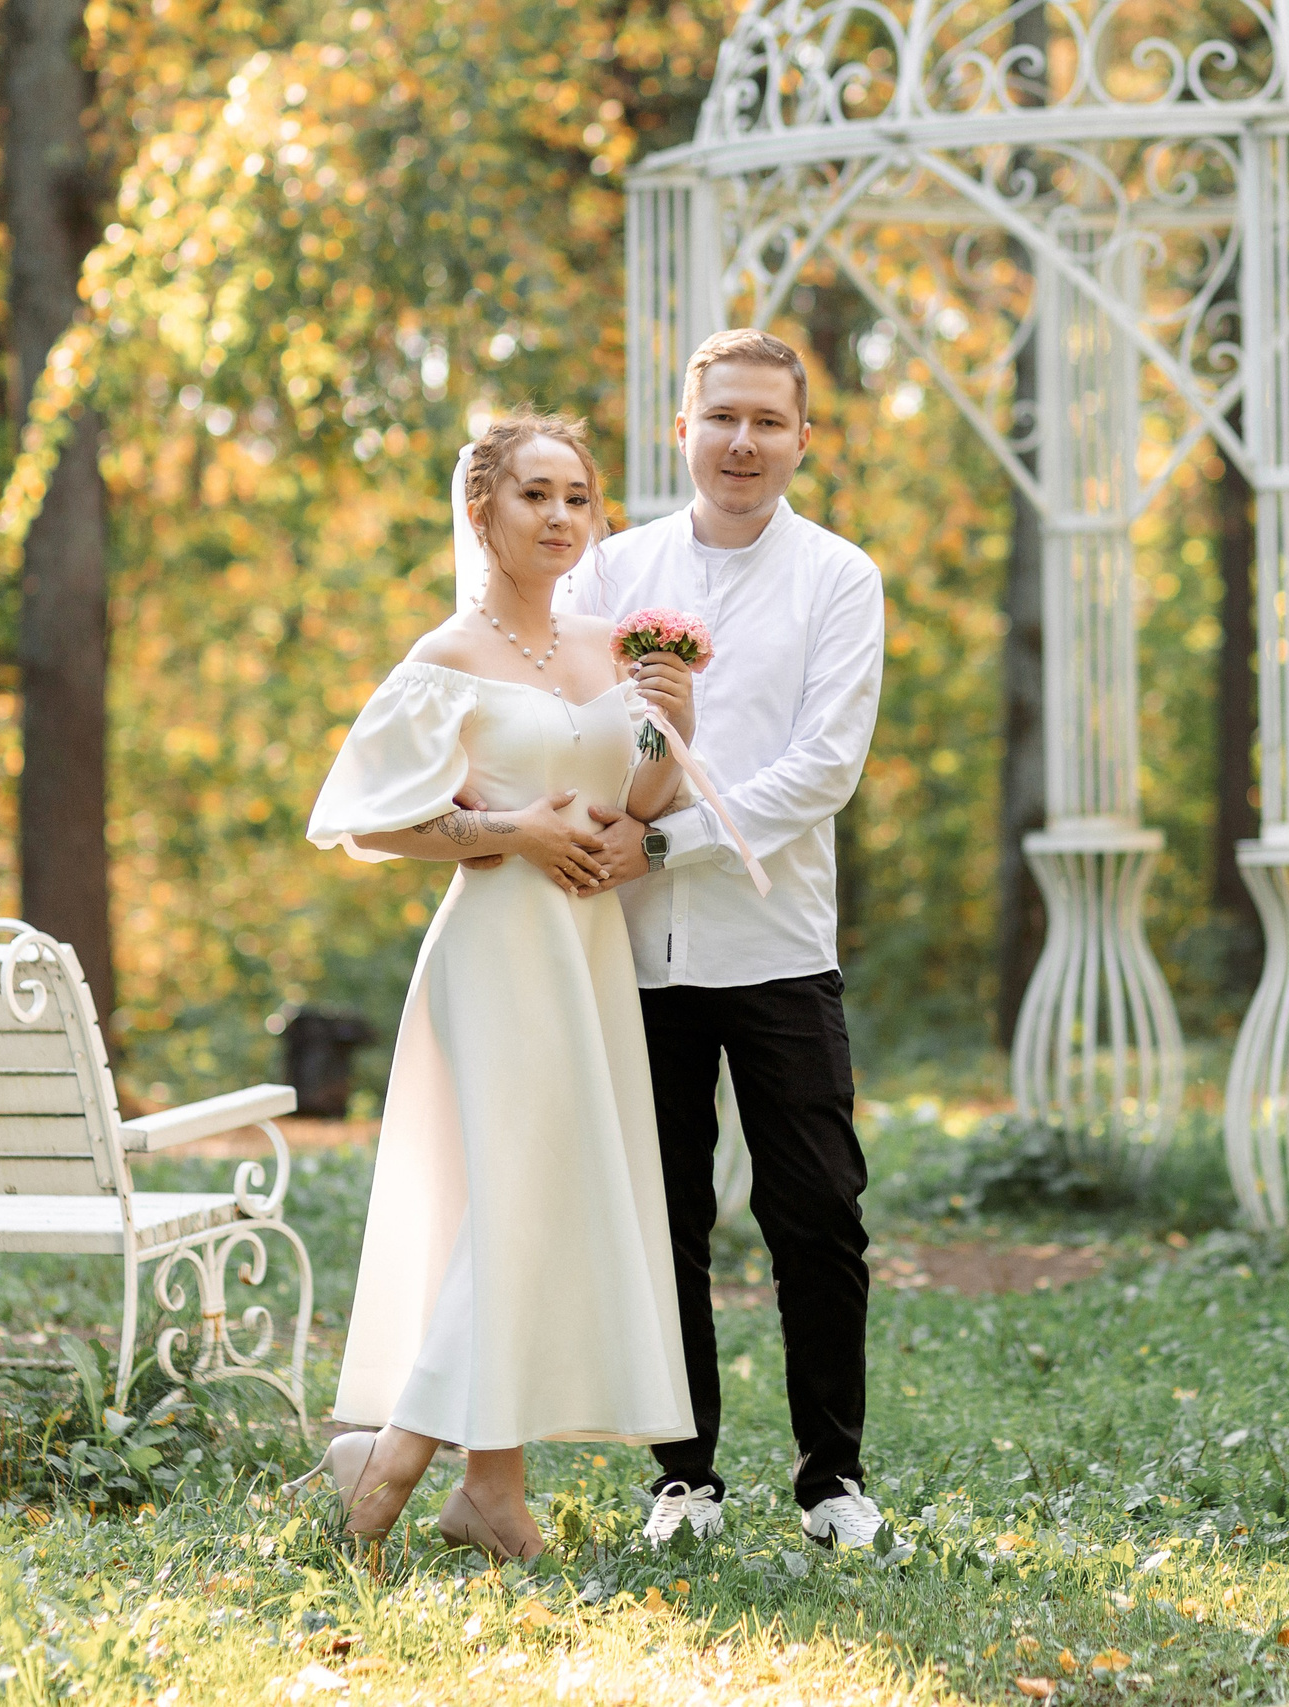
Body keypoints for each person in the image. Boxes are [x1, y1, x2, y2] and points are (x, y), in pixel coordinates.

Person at [286, 413, 699, 1560]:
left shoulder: (611, 647)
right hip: (496, 954)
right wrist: (505, 828)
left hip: (588, 957)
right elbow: (368, 823)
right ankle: (395, 1468)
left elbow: (644, 805)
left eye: (577, 496)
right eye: (534, 495)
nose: (561, 516)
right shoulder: (446, 657)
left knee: (529, 1209)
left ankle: (492, 1493)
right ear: (483, 511)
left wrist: (675, 723)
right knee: (512, 1202)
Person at [558, 328, 889, 1551]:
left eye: (770, 421)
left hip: (778, 943)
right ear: (683, 430)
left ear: (803, 439)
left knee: (818, 1213)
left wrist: (670, 840)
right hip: (633, 949)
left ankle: (832, 1481)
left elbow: (824, 769)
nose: (744, 442)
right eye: (724, 418)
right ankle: (681, 1473)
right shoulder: (612, 573)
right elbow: (574, 727)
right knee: (665, 1214)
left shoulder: (839, 578)